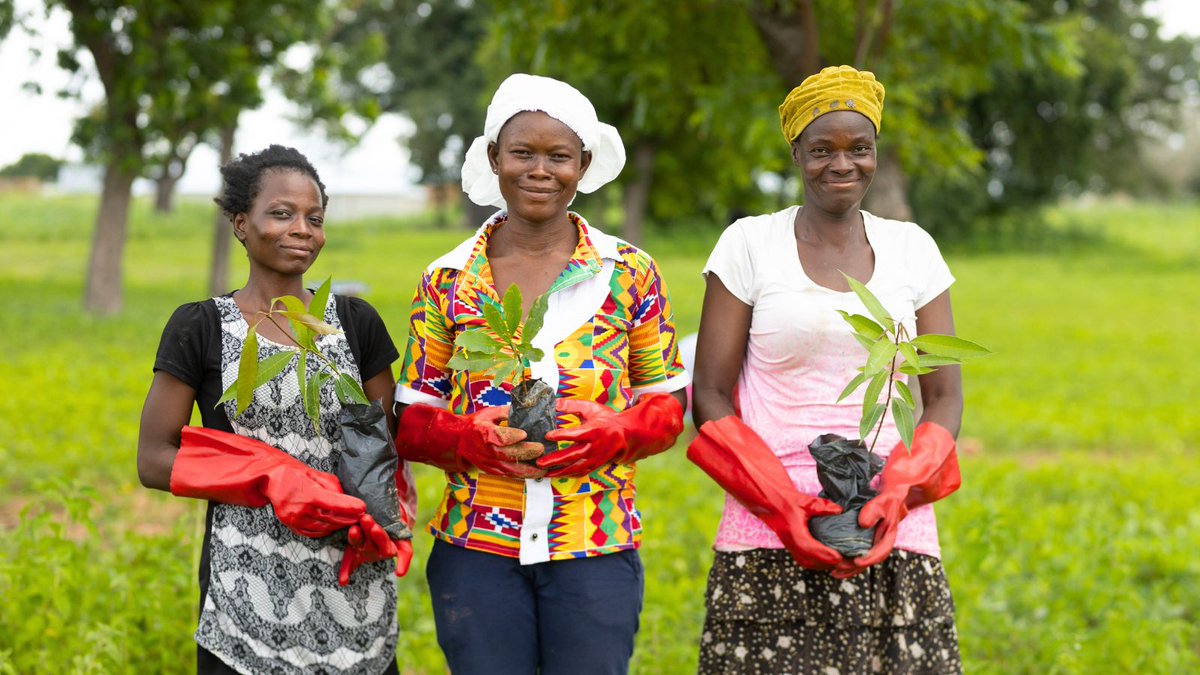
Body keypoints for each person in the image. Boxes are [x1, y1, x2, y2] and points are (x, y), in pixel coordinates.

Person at [392, 73, 689, 675]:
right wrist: (468, 439)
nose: (540, 171)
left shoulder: (628, 273)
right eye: (522, 153)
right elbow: (411, 421)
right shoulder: (448, 281)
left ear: (583, 164)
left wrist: (616, 433)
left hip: (594, 541)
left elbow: (668, 409)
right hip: (476, 549)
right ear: (493, 158)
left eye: (559, 157)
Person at [687, 65, 965, 673]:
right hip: (766, 517)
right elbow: (709, 391)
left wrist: (899, 490)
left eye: (858, 149)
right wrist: (781, 504)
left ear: (876, 153)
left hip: (888, 524)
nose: (842, 165)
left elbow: (942, 394)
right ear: (795, 153)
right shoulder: (749, 244)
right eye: (821, 150)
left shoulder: (912, 248)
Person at [137, 145, 412, 674]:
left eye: (315, 218)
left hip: (352, 580)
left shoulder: (353, 323)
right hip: (247, 587)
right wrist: (272, 478)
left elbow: (390, 444)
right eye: (282, 214)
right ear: (241, 224)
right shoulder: (203, 327)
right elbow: (154, 458)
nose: (303, 229)